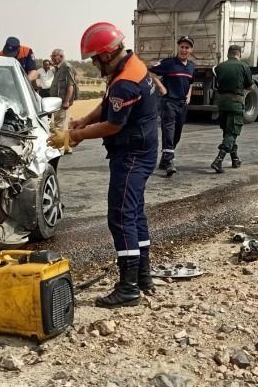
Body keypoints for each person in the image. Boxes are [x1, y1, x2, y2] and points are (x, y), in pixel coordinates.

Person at [47, 22, 158, 308]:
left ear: (108, 54)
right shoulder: (129, 66)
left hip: (132, 154)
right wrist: (84, 120)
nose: (95, 64)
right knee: (134, 213)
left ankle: (129, 287)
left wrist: (75, 134)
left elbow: (112, 124)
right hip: (141, 149)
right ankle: (143, 276)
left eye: (96, 58)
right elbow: (108, 103)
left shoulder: (125, 81)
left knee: (120, 216)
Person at [149, 36, 196, 176]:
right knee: (168, 130)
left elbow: (191, 82)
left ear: (191, 50)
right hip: (169, 102)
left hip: (182, 104)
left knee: (177, 134)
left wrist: (189, 95)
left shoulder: (191, 66)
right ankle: (169, 161)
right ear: (178, 47)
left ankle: (165, 158)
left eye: (187, 47)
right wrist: (161, 88)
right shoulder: (168, 63)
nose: (184, 50)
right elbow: (150, 72)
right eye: (182, 47)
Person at [210, 45, 253, 173]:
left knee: (227, 132)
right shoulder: (243, 66)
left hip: (222, 104)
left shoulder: (219, 67)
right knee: (232, 132)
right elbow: (249, 86)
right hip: (235, 103)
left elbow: (216, 85)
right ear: (239, 54)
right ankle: (218, 160)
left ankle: (235, 159)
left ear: (228, 54)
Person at [48, 48, 78, 134]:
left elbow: (70, 85)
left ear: (60, 56)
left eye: (54, 56)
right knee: (58, 124)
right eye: (51, 56)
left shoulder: (66, 67)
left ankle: (60, 145)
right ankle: (61, 144)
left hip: (62, 102)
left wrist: (66, 101)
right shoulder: (59, 68)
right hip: (57, 102)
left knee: (59, 126)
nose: (52, 58)